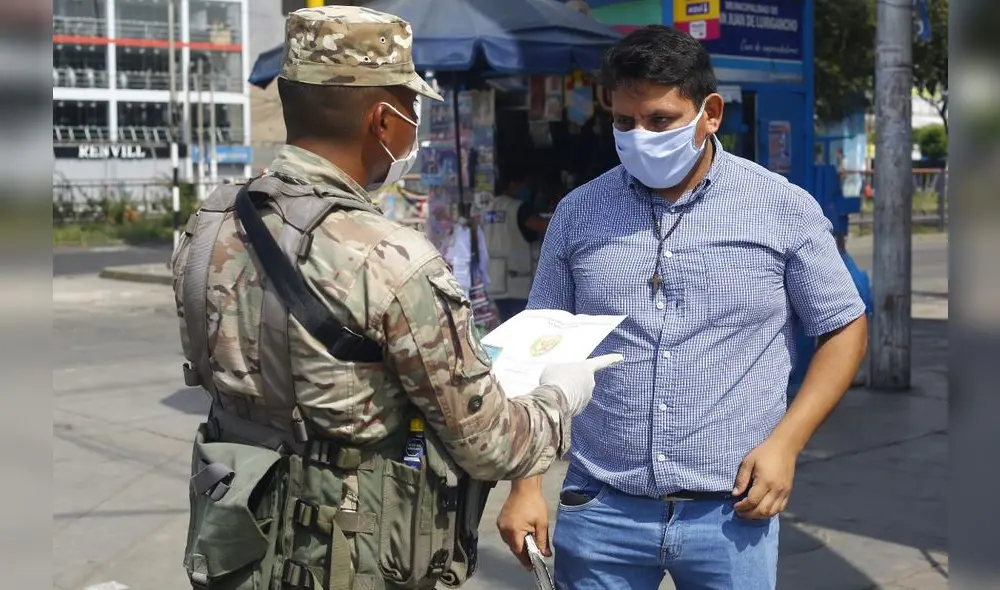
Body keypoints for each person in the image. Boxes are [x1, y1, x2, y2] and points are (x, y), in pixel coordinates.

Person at [170, 6, 619, 590]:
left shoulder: (208, 224)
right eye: (411, 108)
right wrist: (561, 396)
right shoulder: (392, 259)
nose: (414, 124)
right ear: (383, 121)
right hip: (348, 554)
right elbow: (491, 444)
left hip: (237, 543)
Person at [496, 25, 869, 590]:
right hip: (600, 507)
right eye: (625, 122)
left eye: (661, 120)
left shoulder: (781, 208)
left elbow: (843, 326)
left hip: (730, 512)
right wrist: (526, 486)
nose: (640, 135)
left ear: (709, 112)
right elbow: (540, 345)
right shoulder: (577, 215)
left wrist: (786, 444)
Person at [481, 169, 550, 321]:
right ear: (512, 185)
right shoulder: (519, 208)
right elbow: (542, 226)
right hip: (518, 284)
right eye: (524, 185)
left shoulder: (487, 209)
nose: (527, 189)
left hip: (496, 281)